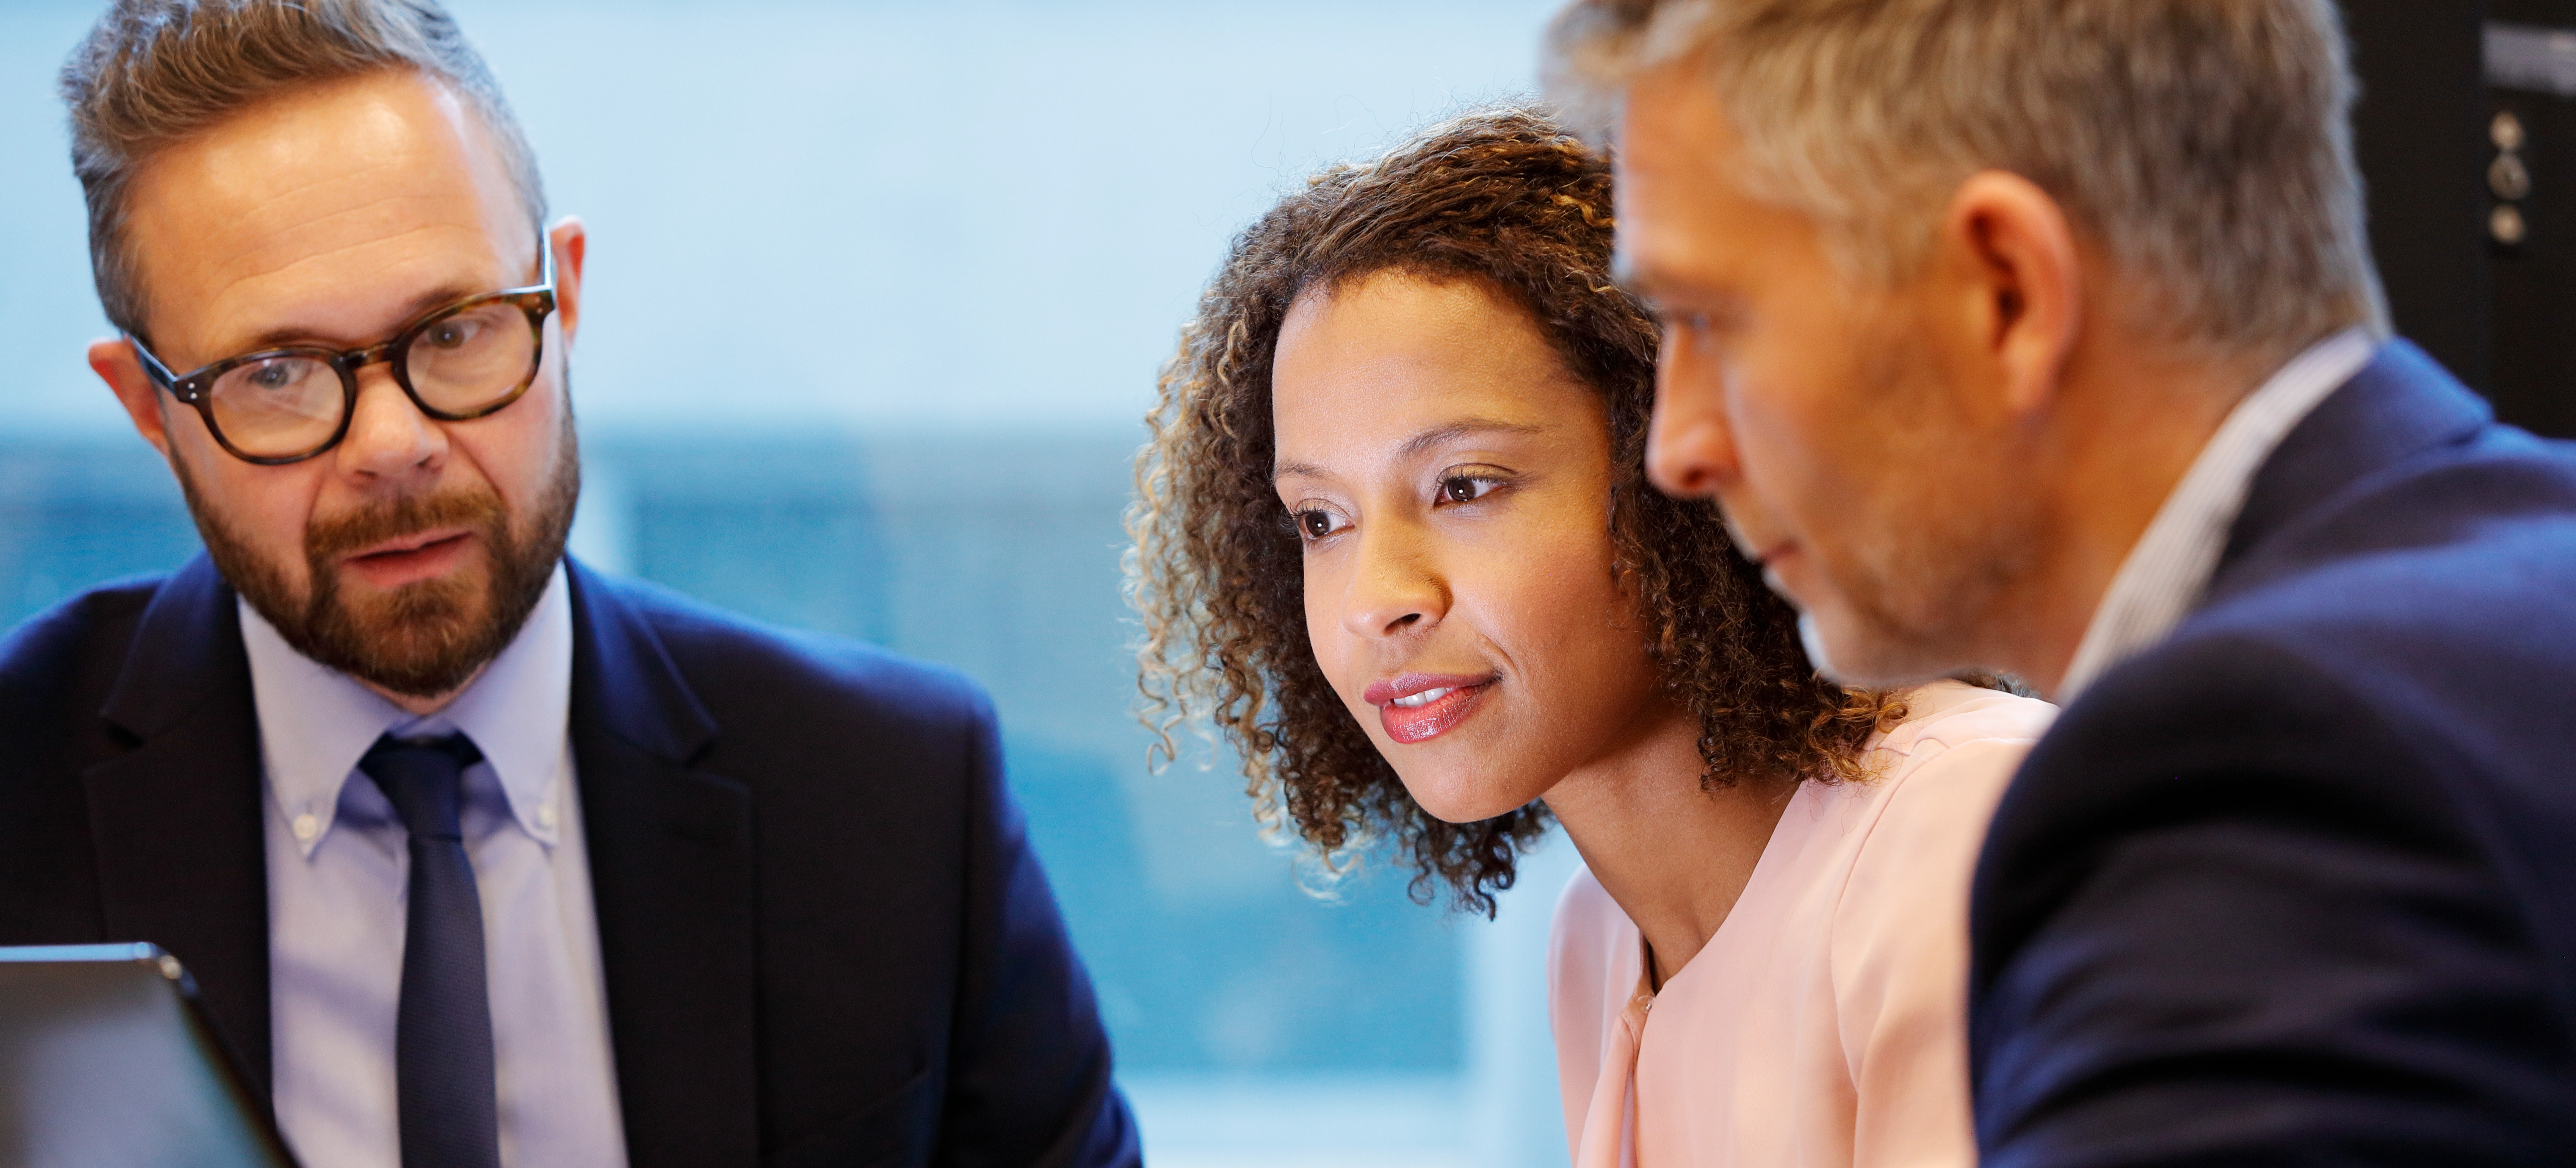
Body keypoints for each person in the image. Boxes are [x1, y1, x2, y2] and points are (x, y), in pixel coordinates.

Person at [0, 2, 1138, 1166]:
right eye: (277, 373)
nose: (393, 444)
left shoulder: (896, 796)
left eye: (453, 334)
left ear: (567, 296)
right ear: (146, 409)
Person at [1545, 0, 2576, 1161]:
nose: (1674, 446)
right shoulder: (2519, 571)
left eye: (1707, 321)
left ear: (2005, 292)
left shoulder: (2251, 763)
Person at [1127, 106, 2054, 1168]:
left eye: (1463, 486)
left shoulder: (1966, 832)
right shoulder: (1598, 943)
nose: (1370, 600)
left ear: (1680, 468)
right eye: (1320, 521)